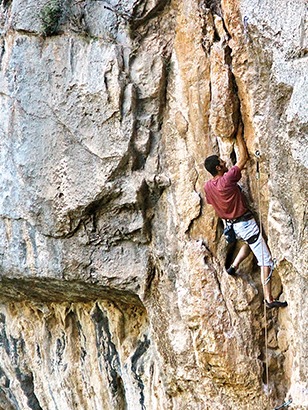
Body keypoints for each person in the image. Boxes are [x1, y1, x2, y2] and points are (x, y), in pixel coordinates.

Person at [203, 123, 287, 309]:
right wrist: (240, 136)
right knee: (266, 261)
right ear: (218, 168)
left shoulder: (208, 186)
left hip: (232, 226)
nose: (225, 162)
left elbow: (212, 203)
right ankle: (269, 299)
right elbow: (244, 158)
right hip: (245, 224)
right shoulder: (226, 179)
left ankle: (233, 266)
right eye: (222, 162)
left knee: (250, 243)